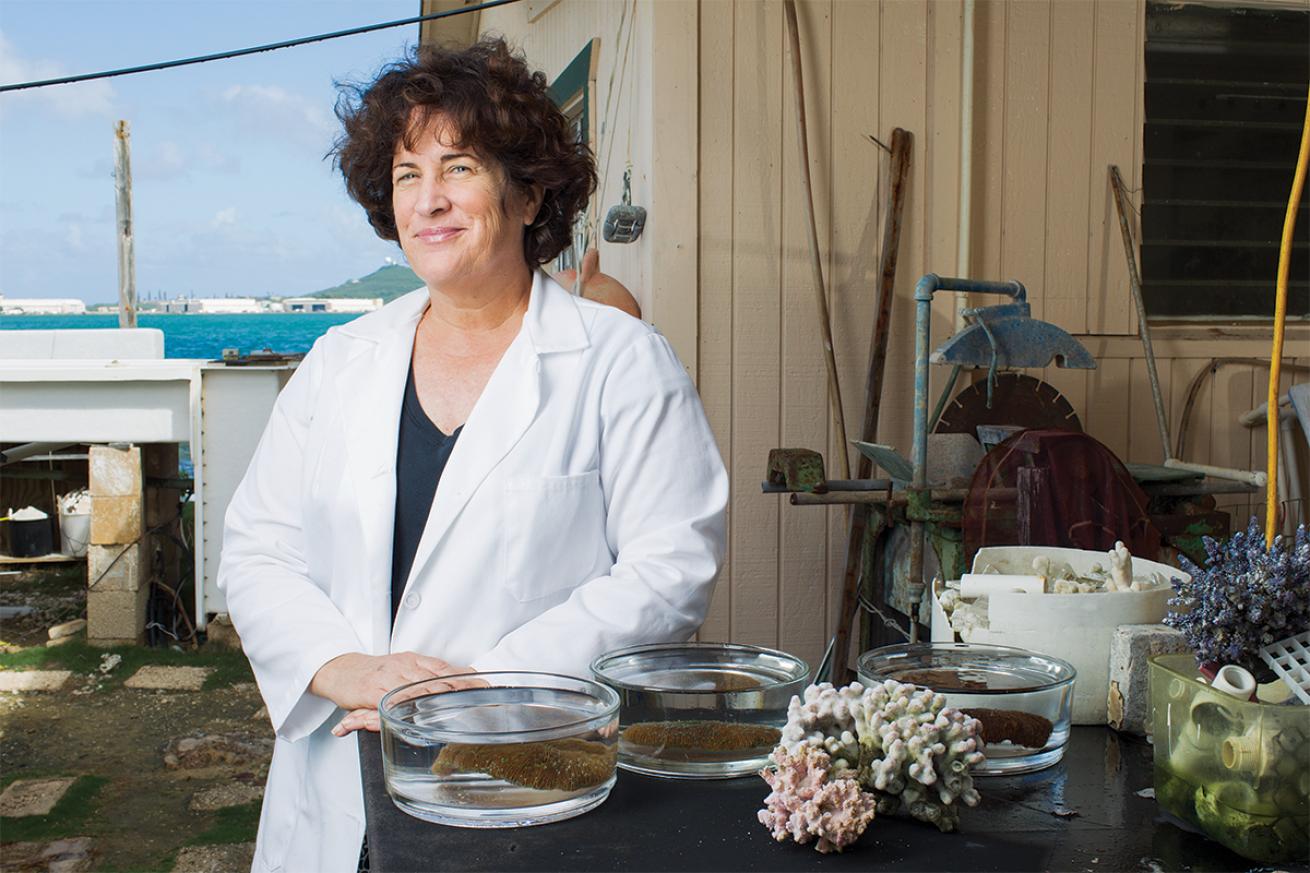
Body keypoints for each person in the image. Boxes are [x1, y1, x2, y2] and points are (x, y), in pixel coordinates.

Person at [217, 38, 728, 873]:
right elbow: (258, 546)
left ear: (527, 194)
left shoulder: (622, 361)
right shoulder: (339, 361)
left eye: (458, 167)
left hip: (519, 779)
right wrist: (339, 664)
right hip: (332, 781)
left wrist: (477, 691)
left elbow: (670, 568)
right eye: (407, 175)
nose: (429, 201)